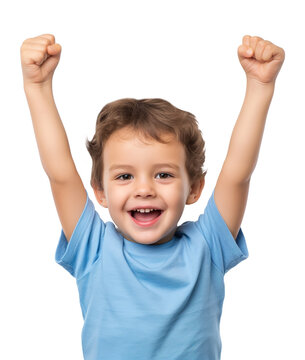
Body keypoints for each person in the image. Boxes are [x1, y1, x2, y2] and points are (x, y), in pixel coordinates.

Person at [20, 33, 285, 360]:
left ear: (195, 188)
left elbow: (237, 173)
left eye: (163, 174)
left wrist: (260, 87)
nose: (144, 188)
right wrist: (38, 87)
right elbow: (60, 174)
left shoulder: (207, 246)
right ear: (100, 192)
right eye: (125, 176)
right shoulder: (95, 249)